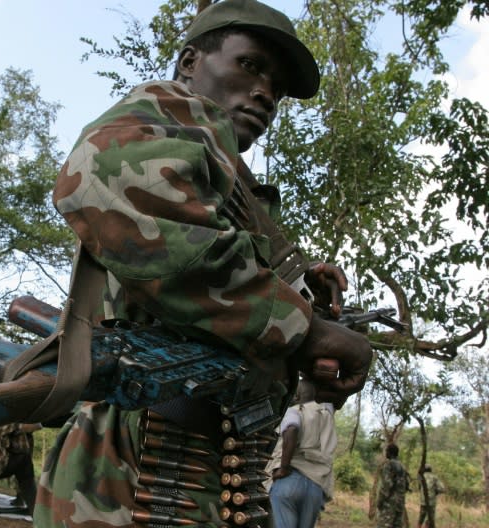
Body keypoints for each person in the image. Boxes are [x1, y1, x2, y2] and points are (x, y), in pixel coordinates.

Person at [34, 1, 372, 527]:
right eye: (251, 66)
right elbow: (106, 185)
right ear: (191, 62)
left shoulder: (228, 180)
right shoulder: (171, 108)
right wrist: (303, 331)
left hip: (222, 469)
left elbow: (226, 346)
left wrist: (306, 348)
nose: (265, 93)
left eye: (277, 88)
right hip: (129, 471)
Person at [266, 380, 337, 528]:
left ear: (296, 397)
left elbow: (291, 430)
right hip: (315, 487)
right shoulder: (327, 414)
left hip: (289, 480)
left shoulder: (295, 410)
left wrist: (283, 468)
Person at [376, 444, 410, 528]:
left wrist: (380, 501)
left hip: (389, 503)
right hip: (400, 503)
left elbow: (387, 485)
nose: (385, 453)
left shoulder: (388, 465)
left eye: (386, 451)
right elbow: (407, 485)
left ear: (390, 453)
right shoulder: (402, 466)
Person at [418, 464, 444, 528]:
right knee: (429, 519)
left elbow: (419, 487)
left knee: (421, 517)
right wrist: (436, 492)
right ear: (431, 470)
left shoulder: (421, 477)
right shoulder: (434, 477)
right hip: (431, 502)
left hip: (423, 501)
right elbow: (442, 488)